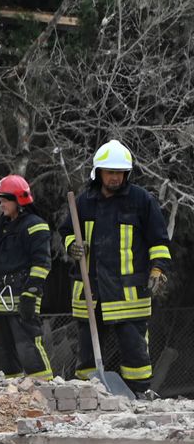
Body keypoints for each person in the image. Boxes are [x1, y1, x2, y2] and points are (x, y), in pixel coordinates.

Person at [67, 139, 172, 396]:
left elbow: (158, 240)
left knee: (134, 349)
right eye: (110, 172)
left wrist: (157, 268)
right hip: (92, 292)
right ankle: (86, 394)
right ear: (99, 172)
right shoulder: (83, 202)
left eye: (120, 173)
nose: (115, 178)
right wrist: (72, 246)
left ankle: (139, 394)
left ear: (127, 174)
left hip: (128, 293)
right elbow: (67, 232)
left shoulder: (141, 201)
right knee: (87, 352)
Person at [0, 175, 54, 380]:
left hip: (23, 295)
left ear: (19, 199)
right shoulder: (2, 228)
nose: (1, 203)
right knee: (2, 352)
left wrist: (31, 293)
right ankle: (13, 396)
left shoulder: (35, 225)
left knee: (28, 348)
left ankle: (45, 388)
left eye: (5, 198)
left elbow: (42, 263)